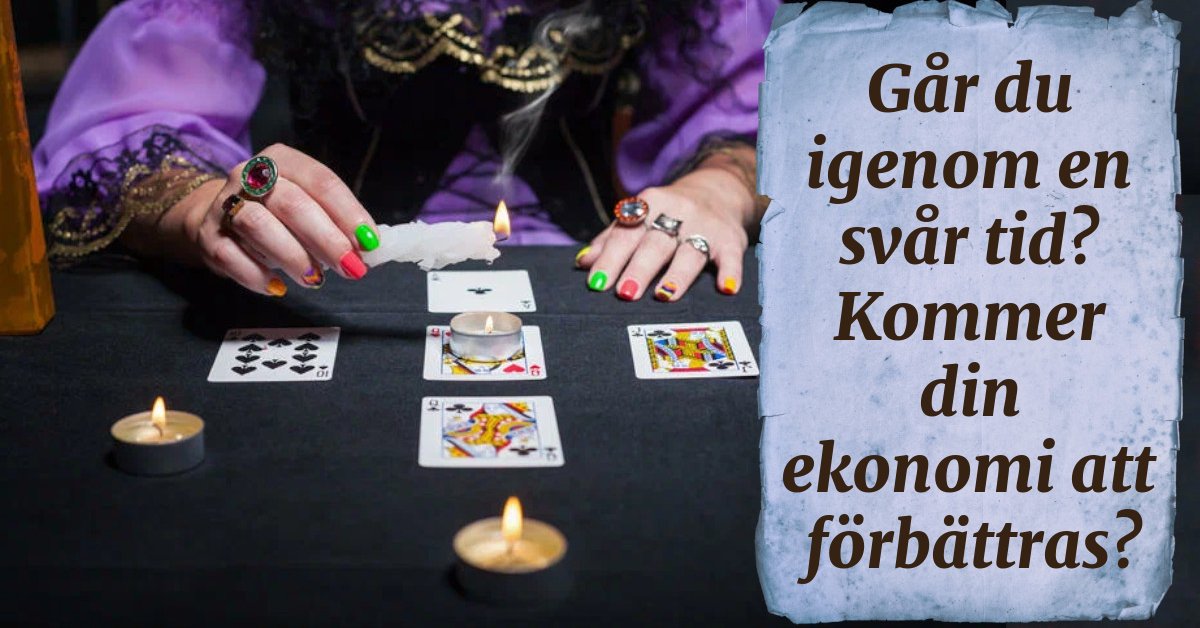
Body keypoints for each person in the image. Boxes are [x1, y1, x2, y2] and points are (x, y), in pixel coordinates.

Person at [34, 0, 775, 301]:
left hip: (592, 280)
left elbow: (752, 102)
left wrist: (720, 185)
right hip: (336, 289)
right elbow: (137, 117)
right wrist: (205, 205)